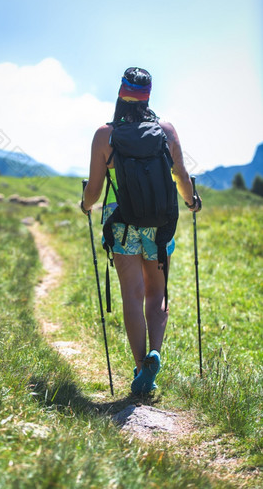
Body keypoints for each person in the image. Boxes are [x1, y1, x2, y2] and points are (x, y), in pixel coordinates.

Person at [81, 67, 201, 395]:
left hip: (122, 226)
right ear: (148, 96)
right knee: (156, 293)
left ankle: (139, 369)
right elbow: (181, 177)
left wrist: (85, 204)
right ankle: (155, 354)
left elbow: (93, 190)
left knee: (132, 296)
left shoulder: (105, 136)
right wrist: (192, 202)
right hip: (160, 226)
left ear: (121, 93)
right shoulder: (166, 130)